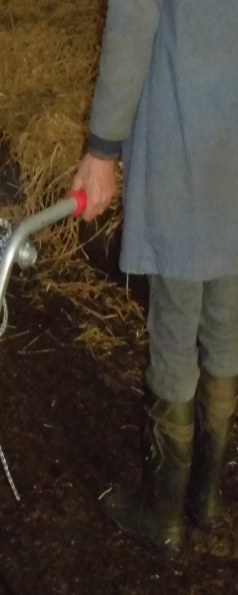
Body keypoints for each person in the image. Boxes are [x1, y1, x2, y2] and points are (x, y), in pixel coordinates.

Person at [71, 1, 238, 555]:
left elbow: (132, 28)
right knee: (225, 327)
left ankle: (163, 511)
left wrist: (102, 147)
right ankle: (207, 497)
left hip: (185, 135)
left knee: (174, 331)